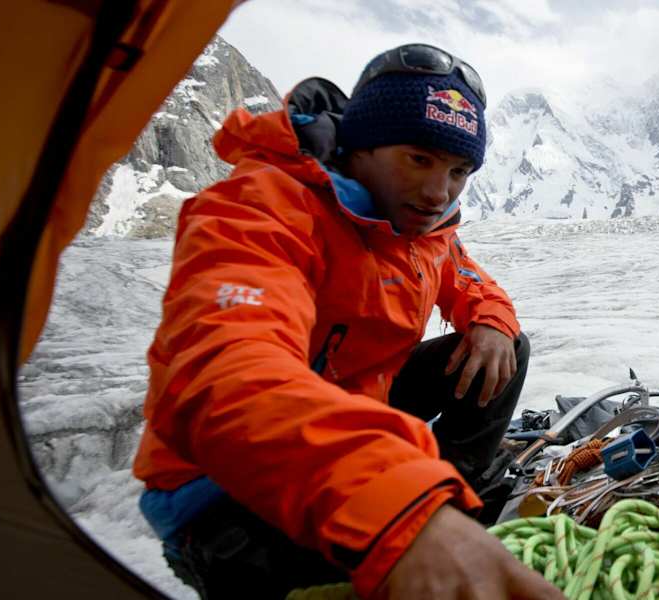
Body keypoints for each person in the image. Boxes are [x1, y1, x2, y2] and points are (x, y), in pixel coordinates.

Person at [130, 43, 561, 599]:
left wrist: (492, 320)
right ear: (362, 142)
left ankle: (455, 497)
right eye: (419, 159)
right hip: (223, 485)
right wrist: (397, 504)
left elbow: (469, 278)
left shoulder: (418, 227)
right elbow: (228, 377)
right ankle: (416, 517)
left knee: (507, 347)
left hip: (352, 420)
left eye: (458, 171)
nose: (439, 192)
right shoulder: (260, 208)